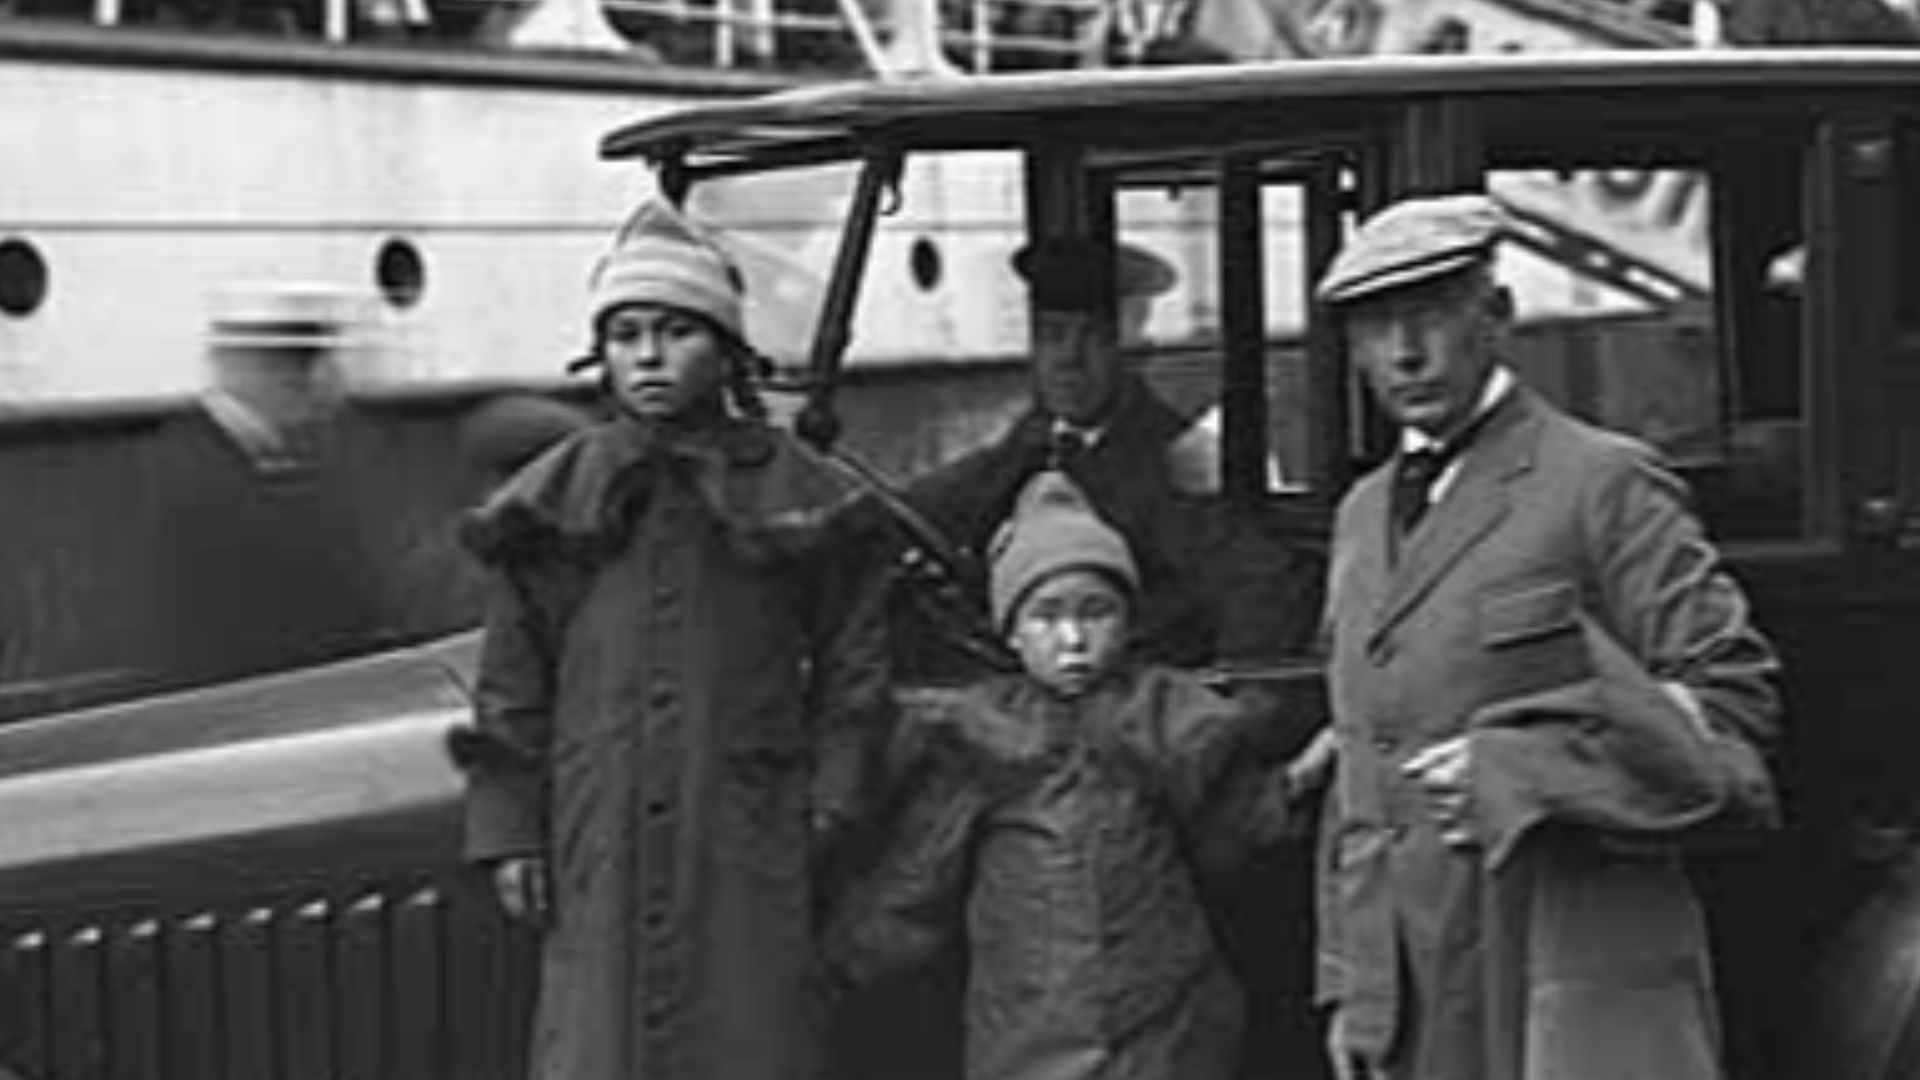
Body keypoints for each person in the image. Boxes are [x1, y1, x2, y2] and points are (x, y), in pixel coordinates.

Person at [1313, 193, 1782, 1080]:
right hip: (1411, 1000)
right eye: (1376, 326)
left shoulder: (1602, 482)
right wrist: (1354, 986)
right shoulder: (1362, 514)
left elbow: (1733, 716)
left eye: (1431, 316)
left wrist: (1520, 770)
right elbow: (1362, 770)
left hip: (1559, 971)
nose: (1405, 352)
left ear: (1496, 318)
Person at [447, 201, 894, 1080]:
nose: (647, 357)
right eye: (625, 335)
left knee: (750, 1040)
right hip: (597, 831)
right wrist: (509, 831)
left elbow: (854, 668)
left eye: (674, 332)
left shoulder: (809, 494)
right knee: (600, 1046)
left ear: (724, 347)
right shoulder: (548, 498)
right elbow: (511, 680)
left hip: (746, 830)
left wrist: (832, 804)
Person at [823, 470, 1311, 1080]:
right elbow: (919, 875)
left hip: (1164, 1007)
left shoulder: (1164, 721)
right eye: (1047, 617)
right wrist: (843, 959)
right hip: (1033, 1014)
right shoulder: (984, 740)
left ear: (1129, 623)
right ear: (1012, 634)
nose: (1074, 640)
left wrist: (1305, 776)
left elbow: (1230, 830)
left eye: (1096, 613)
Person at [901, 234, 1319, 677]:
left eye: (1093, 339)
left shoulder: (1178, 461)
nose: (1068, 359)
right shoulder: (1033, 442)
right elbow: (926, 507)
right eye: (1051, 336)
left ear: (1135, 354)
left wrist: (1206, 709)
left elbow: (1261, 589)